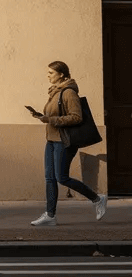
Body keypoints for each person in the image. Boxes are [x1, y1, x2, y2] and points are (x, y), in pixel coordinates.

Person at [29, 61, 107, 226]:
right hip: (51, 139)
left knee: (61, 178)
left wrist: (50, 119)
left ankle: (97, 198)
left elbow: (76, 117)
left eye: (51, 73)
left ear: (62, 74)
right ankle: (50, 215)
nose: (48, 76)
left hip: (64, 141)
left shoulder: (69, 92)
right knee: (49, 178)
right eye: (48, 72)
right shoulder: (55, 92)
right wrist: (41, 116)